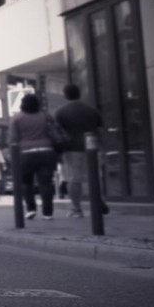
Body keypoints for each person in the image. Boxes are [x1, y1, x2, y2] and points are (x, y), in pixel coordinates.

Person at [54, 84, 107, 218]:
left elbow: (57, 133)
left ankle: (76, 209)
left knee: (74, 179)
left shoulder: (61, 112)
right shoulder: (91, 110)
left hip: (72, 149)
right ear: (80, 93)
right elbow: (101, 131)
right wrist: (102, 148)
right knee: (95, 178)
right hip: (92, 149)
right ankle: (97, 202)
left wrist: (58, 152)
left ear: (65, 95)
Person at [8, 93, 60, 219]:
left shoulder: (16, 118)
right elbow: (54, 132)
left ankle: (31, 209)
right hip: (46, 151)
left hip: (25, 154)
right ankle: (47, 212)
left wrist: (12, 156)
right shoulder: (45, 116)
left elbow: (13, 139)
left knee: (26, 182)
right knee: (46, 183)